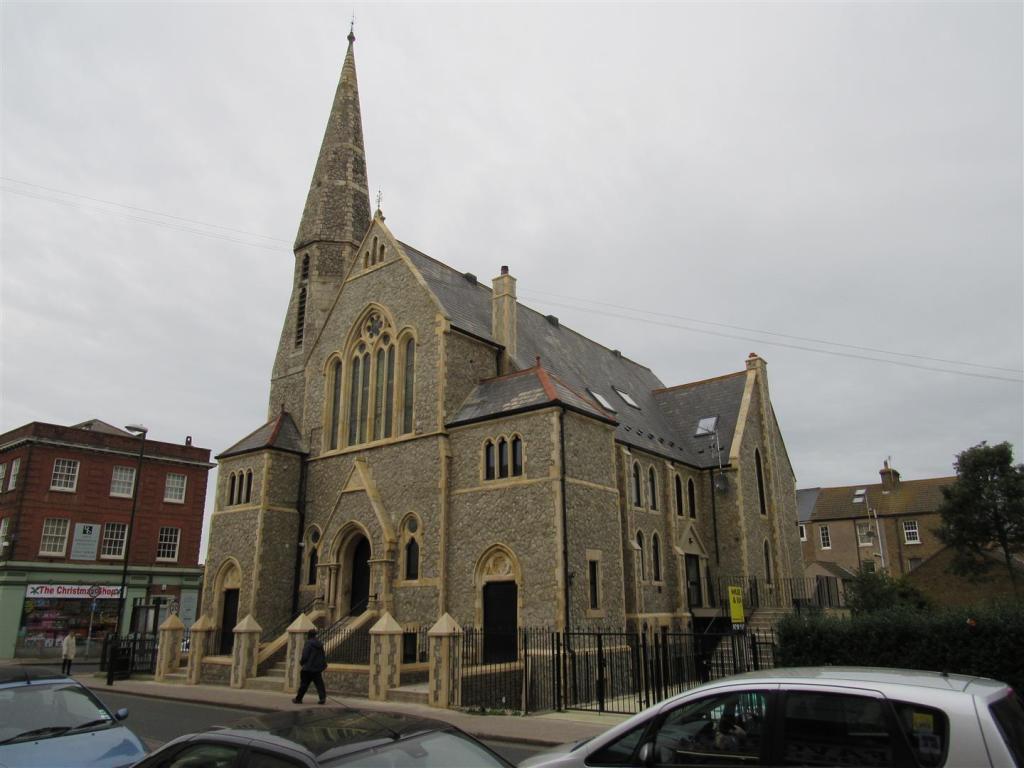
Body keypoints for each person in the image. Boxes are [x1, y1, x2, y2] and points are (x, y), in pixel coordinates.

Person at [293, 628, 327, 704]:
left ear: (309, 635)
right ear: (315, 635)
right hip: (316, 668)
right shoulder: (319, 644)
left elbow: (305, 655)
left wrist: (302, 662)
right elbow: (322, 655)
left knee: (304, 684)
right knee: (319, 684)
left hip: (308, 668)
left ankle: (298, 699)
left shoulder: (308, 643)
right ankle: (322, 698)